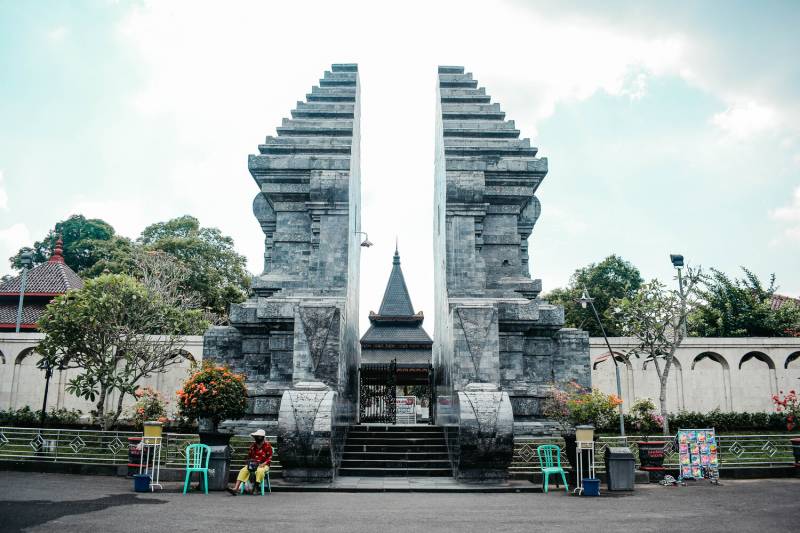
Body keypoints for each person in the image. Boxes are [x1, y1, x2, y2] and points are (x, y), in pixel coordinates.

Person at [228, 429, 272, 495]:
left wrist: (263, 464)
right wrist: (249, 463)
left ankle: (256, 488)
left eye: (258, 436)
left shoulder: (268, 446)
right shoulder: (253, 446)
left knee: (260, 471)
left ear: (262, 437)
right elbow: (249, 457)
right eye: (256, 436)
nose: (257, 438)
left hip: (264, 465)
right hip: (253, 464)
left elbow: (269, 458)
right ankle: (236, 488)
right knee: (243, 470)